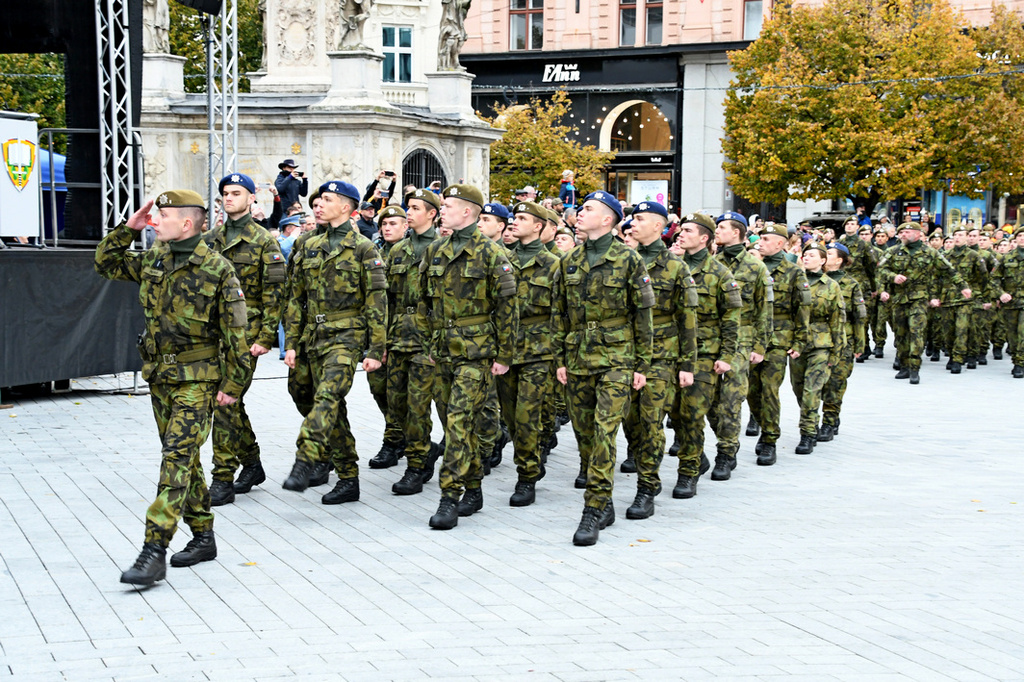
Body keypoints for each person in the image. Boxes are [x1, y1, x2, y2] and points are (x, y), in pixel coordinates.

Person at [95, 190, 249, 586]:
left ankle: (154, 550)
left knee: (176, 457)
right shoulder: (155, 259)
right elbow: (106, 264)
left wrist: (233, 383)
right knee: (184, 458)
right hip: (161, 377)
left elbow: (235, 332)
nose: (155, 221)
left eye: (162, 216)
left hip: (199, 379)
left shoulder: (217, 270)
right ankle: (203, 537)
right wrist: (127, 230)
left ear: (186, 223)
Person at [555, 191, 654, 546]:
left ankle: (593, 508)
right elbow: (559, 314)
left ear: (609, 219)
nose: (580, 213)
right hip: (578, 358)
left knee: (603, 432)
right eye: (580, 209)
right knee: (584, 435)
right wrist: (561, 360)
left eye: (589, 209)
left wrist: (642, 364)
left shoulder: (628, 260)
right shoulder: (568, 261)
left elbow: (643, 317)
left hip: (616, 358)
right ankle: (606, 499)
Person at [281, 181, 387, 504]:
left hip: (347, 335)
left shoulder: (364, 248)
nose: (318, 205)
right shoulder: (307, 244)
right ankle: (347, 477)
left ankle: (306, 459)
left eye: (327, 200)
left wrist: (375, 348)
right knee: (312, 398)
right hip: (313, 336)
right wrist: (291, 342)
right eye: (318, 199)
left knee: (327, 395)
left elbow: (377, 300)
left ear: (346, 207)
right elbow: (295, 297)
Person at [420, 184, 518, 530]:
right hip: (443, 350)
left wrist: (505, 354)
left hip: (477, 351)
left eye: (448, 206)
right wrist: (429, 344)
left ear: (467, 212)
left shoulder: (492, 254)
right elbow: (423, 303)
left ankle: (450, 496)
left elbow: (508, 308)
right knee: (456, 424)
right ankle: (474, 486)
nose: (441, 210)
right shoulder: (435, 251)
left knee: (460, 422)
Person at [201, 174, 286, 505]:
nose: (229, 198)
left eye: (236, 193)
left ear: (252, 198)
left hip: (246, 333)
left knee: (224, 400)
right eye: (225, 193)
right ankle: (251, 464)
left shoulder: (264, 242)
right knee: (227, 403)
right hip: (212, 332)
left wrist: (266, 337)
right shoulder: (209, 240)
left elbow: (275, 292)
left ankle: (222, 476)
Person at [619, 201, 696, 520]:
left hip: (662, 355)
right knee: (628, 419)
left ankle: (647, 487)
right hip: (625, 351)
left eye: (639, 219)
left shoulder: (676, 267)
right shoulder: (623, 261)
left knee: (651, 421)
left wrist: (687, 364)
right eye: (631, 219)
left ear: (658, 226)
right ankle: (640, 464)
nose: (632, 224)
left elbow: (687, 318)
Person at [665, 213, 740, 499]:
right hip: (672, 351)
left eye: (687, 231)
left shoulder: (720, 273)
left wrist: (727, 354)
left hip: (705, 354)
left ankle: (688, 472)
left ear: (704, 238)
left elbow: (731, 316)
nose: (680, 235)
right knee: (674, 412)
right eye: (679, 230)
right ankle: (695, 455)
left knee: (692, 414)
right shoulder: (672, 267)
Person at [497, 200, 562, 507]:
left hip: (539, 348)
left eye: (522, 218)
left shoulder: (553, 265)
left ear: (538, 226)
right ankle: (531, 455)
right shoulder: (502, 259)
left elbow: (562, 311)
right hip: (506, 348)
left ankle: (527, 474)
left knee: (527, 415)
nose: (514, 222)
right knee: (510, 417)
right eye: (514, 217)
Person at [386, 189, 445, 495]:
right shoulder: (397, 251)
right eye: (408, 207)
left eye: (415, 208)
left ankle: (417, 465)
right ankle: (424, 449)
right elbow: (387, 299)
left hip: (427, 338)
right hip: (399, 335)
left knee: (418, 404)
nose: (408, 212)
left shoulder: (442, 248)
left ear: (432, 213)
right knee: (396, 406)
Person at [708, 212, 772, 481]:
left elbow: (764, 310)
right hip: (714, 337)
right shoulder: (712, 264)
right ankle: (722, 439)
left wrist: (760, 345)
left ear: (736, 232)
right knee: (710, 401)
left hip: (743, 339)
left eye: (721, 227)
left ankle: (726, 453)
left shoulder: (756, 268)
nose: (717, 232)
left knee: (732, 399)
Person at [746, 223, 809, 466]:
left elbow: (802, 309)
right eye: (759, 238)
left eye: (766, 238)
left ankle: (770, 439)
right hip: (752, 336)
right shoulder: (752, 268)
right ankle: (763, 425)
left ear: (781, 243)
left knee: (769, 389)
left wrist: (799, 341)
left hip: (778, 338)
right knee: (751, 391)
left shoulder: (794, 272)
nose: (760, 242)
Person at [878, 222, 970, 384]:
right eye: (901, 232)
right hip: (899, 299)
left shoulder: (930, 253)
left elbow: (949, 270)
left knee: (917, 332)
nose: (903, 235)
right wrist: (892, 277)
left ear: (918, 233)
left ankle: (915, 368)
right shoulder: (894, 251)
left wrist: (963, 286)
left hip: (920, 299)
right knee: (901, 334)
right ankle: (904, 365)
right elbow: (881, 270)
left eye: (907, 232)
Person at [365, 205, 409, 470]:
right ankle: (399, 433)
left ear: (406, 226)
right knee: (379, 388)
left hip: (406, 331)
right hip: (378, 331)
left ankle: (395, 441)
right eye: (385, 223)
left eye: (394, 223)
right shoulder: (374, 252)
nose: (387, 227)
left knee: (401, 392)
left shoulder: (416, 251)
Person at [790, 243, 845, 455]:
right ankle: (811, 419)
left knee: (812, 389)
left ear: (823, 261)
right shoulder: (796, 281)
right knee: (799, 388)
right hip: (797, 344)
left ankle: (808, 433)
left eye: (812, 255)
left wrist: (836, 352)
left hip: (821, 343)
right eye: (805, 254)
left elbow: (838, 320)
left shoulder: (831, 286)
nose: (806, 257)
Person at [820, 243, 866, 440]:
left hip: (843, 340)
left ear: (839, 260)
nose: (825, 255)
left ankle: (830, 420)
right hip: (819, 338)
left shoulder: (851, 284)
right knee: (817, 384)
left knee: (836, 382)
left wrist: (860, 343)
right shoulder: (813, 279)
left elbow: (859, 316)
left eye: (829, 253)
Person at [942, 226, 991, 372]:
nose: (957, 238)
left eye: (961, 235)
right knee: (948, 330)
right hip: (948, 298)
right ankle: (952, 354)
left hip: (967, 299)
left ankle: (959, 358)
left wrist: (985, 297)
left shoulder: (974, 255)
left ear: (967, 237)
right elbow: (936, 277)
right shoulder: (946, 256)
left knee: (962, 329)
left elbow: (983, 278)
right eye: (955, 235)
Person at [993, 229, 1024, 377]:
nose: (1023, 238)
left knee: (1023, 333)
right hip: (1011, 303)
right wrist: (1001, 293)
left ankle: (1020, 364)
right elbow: (994, 279)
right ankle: (1016, 360)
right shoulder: (1007, 258)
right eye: (1020, 236)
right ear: (1015, 239)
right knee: (1012, 335)